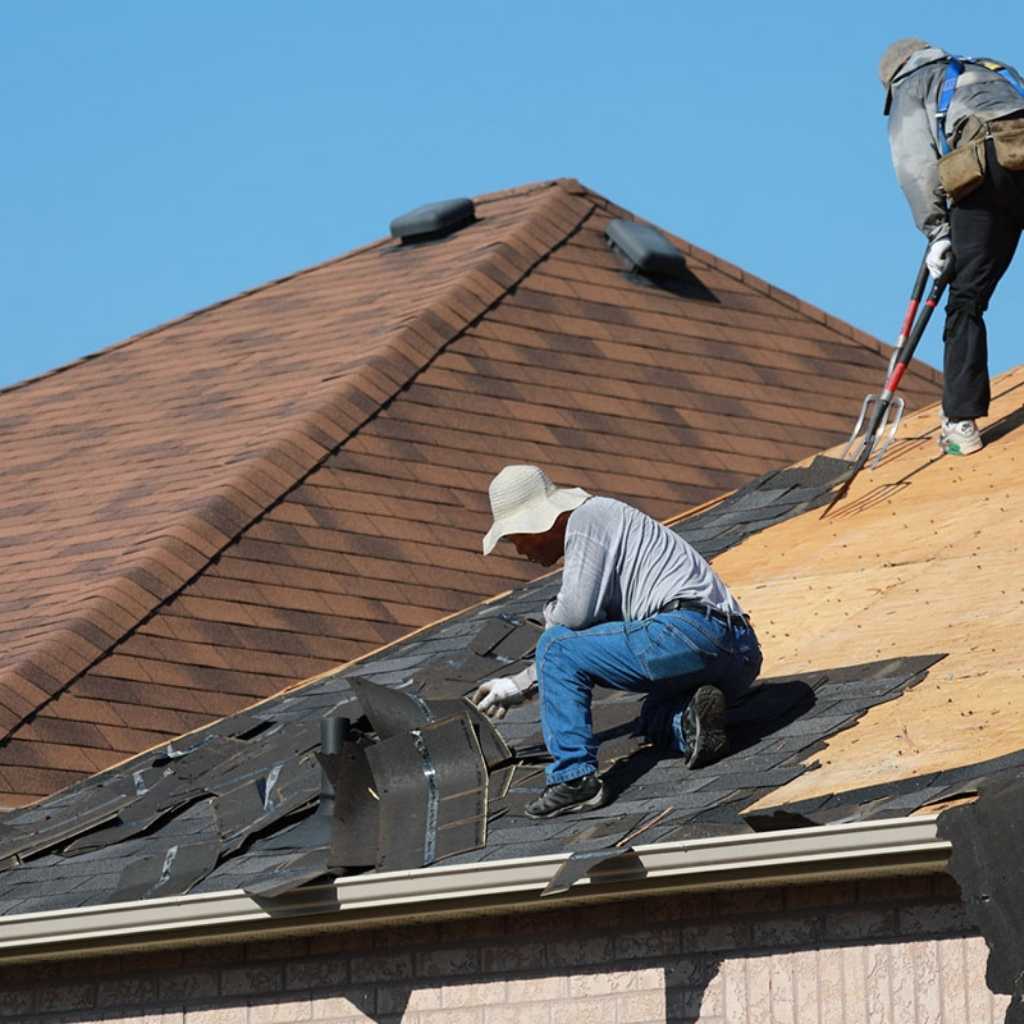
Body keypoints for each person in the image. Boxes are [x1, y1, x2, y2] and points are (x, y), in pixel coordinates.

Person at [470, 465, 762, 819]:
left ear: (541, 521)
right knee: (652, 715)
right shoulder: (611, 537)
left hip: (689, 629)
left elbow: (572, 621)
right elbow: (588, 633)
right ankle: (689, 724)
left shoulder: (588, 518)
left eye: (515, 536)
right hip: (737, 652)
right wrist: (521, 685)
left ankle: (574, 779)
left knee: (555, 645)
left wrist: (520, 678)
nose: (517, 549)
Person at [880, 38, 1024, 456]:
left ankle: (961, 422)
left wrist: (938, 231)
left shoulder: (912, 86)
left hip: (986, 171)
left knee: (965, 298)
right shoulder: (989, 66)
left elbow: (916, 168)